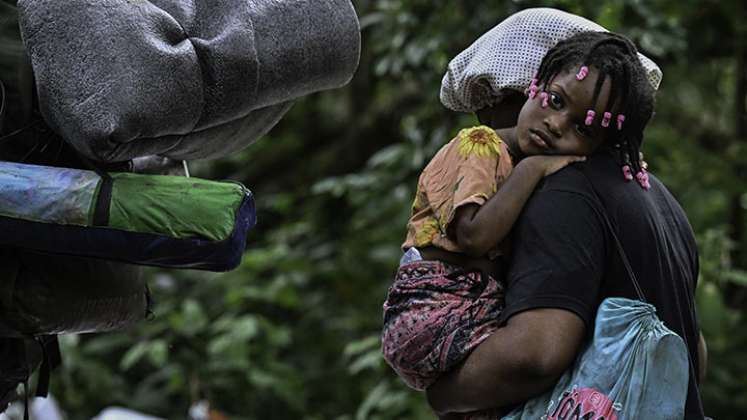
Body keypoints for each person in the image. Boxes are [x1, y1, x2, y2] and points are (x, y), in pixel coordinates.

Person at [422, 18, 708, 420]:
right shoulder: (661, 200)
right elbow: (695, 354)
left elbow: (534, 354)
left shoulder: (564, 191)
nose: (487, 128)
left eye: (491, 105)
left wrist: (443, 394)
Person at [382, 28, 660, 399]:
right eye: (557, 101)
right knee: (555, 359)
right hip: (430, 313)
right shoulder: (481, 145)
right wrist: (533, 170)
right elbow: (472, 235)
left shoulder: (535, 178)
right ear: (535, 85)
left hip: (466, 317)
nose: (556, 125)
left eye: (581, 128)